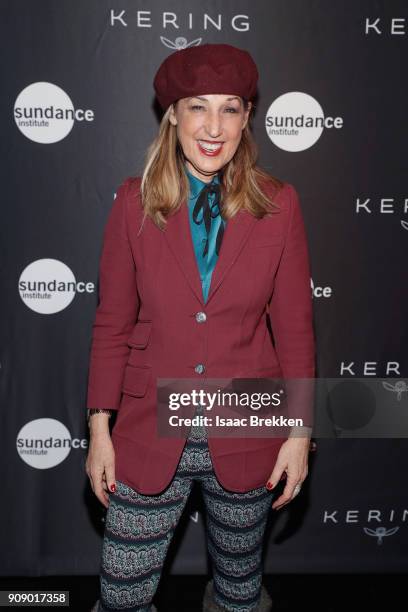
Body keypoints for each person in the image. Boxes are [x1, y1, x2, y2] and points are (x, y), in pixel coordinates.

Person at [86, 43, 316, 612]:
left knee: (239, 595)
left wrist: (299, 434)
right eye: (197, 107)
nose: (214, 126)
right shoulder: (132, 204)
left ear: (246, 118)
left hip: (247, 424)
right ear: (172, 115)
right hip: (148, 427)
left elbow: (294, 329)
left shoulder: (279, 205)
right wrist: (99, 430)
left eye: (230, 108)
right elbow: (112, 323)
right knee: (121, 595)